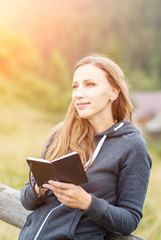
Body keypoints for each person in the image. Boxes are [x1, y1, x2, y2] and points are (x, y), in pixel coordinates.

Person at [18, 54, 152, 240]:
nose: (78, 93)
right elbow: (26, 200)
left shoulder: (132, 145)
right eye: (75, 86)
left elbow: (130, 219)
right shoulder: (61, 134)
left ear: (113, 92)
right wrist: (39, 188)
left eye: (90, 84)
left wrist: (87, 202)